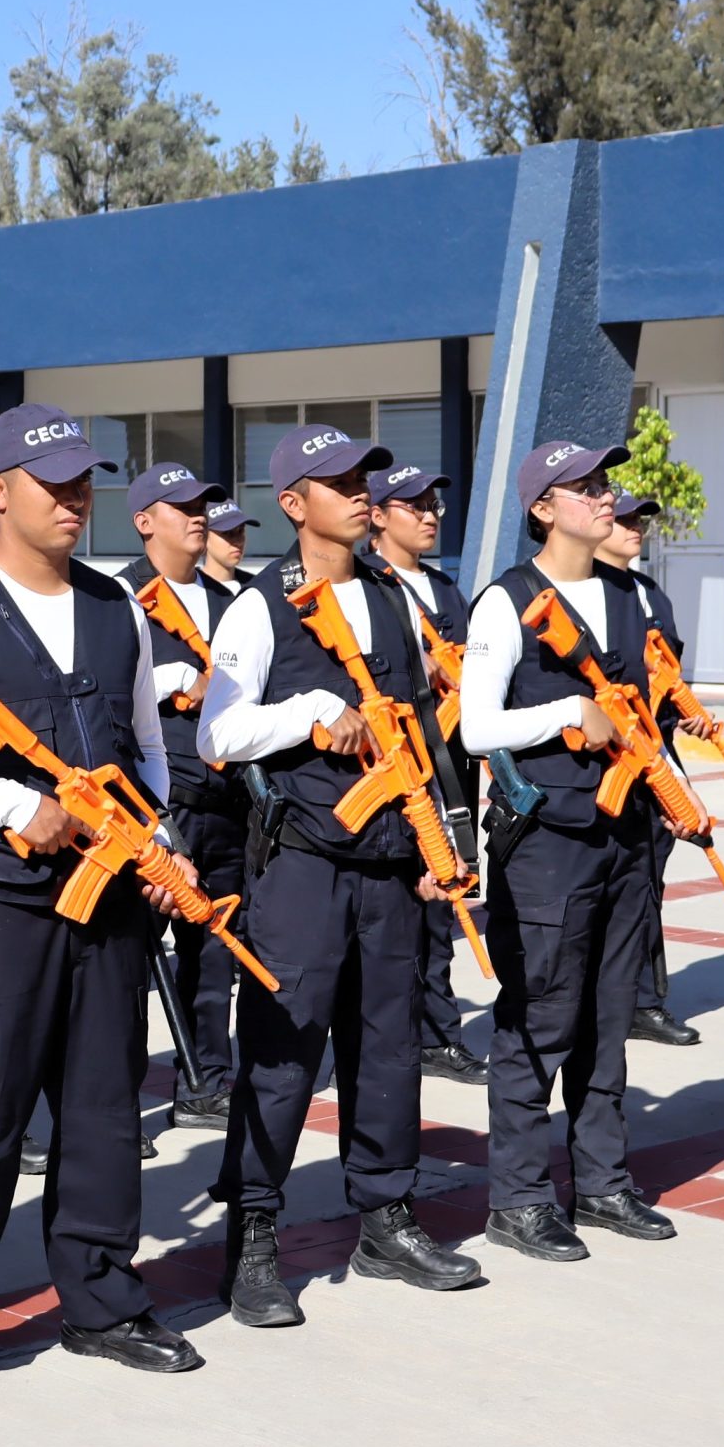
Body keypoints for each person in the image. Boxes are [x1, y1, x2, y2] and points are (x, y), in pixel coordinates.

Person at [0, 405, 206, 1418]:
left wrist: (159, 840)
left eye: (84, 482)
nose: (73, 499)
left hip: (107, 905)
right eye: (52, 481)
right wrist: (14, 803)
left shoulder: (119, 608)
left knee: (106, 1113)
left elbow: (149, 749)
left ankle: (100, 1298)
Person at [201, 422, 482, 1329]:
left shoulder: (399, 598)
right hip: (304, 866)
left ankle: (386, 1213)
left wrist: (449, 843)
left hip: (394, 867)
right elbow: (217, 735)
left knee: (390, 1049)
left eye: (364, 476)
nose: (361, 490)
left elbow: (429, 737)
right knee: (283, 1055)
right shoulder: (259, 607)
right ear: (293, 504)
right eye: (337, 481)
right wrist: (309, 712)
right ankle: (251, 1234)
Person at [460, 441, 678, 1262]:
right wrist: (564, 714)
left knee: (609, 1015)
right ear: (543, 508)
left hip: (622, 834)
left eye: (604, 484)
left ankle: (603, 1180)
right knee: (540, 1015)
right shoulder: (505, 602)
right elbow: (477, 725)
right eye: (583, 487)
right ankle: (517, 1196)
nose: (603, 497)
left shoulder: (628, 593)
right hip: (546, 839)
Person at [115, 461, 247, 1130]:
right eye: (181, 505)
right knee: (130, 958)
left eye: (204, 502)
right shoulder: (117, 602)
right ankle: (116, 1103)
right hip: (160, 807)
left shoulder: (236, 604)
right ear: (144, 522)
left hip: (229, 802)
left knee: (213, 950)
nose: (199, 514)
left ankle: (207, 1082)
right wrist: (170, 676)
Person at [366, 461, 488, 1087]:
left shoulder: (445, 590)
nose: (430, 513)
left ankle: (440, 1034)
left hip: (452, 771)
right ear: (378, 516)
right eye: (412, 505)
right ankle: (398, 1034)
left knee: (445, 905)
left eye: (433, 503)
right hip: (398, 774)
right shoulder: (373, 587)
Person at [596, 492, 703, 1049]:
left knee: (650, 878)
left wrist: (686, 717)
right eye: (626, 519)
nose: (637, 528)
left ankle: (644, 997)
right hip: (610, 756)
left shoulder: (650, 591)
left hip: (658, 752)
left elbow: (667, 675)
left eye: (641, 520)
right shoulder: (590, 593)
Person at [202, 500, 256, 587]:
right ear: (204, 537)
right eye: (226, 532)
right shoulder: (190, 589)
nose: (238, 541)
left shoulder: (258, 586)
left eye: (240, 530)